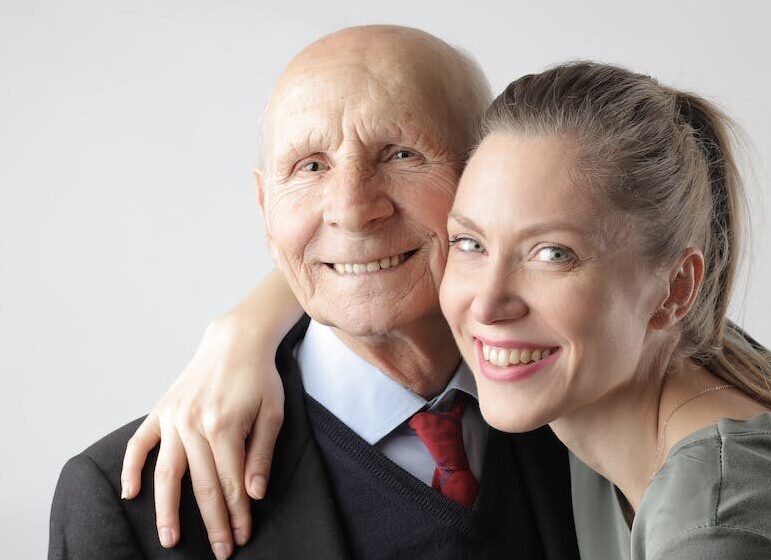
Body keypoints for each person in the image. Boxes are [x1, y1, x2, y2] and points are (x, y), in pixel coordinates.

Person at [124, 62, 771, 558]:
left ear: (675, 290)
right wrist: (239, 331)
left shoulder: (713, 517)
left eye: (552, 253)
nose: (488, 301)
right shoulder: (649, 362)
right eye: (469, 242)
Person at [49, 25, 582, 560]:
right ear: (265, 208)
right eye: (310, 166)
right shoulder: (127, 504)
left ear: (485, 180)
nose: (352, 208)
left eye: (400, 154)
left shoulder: (588, 407)